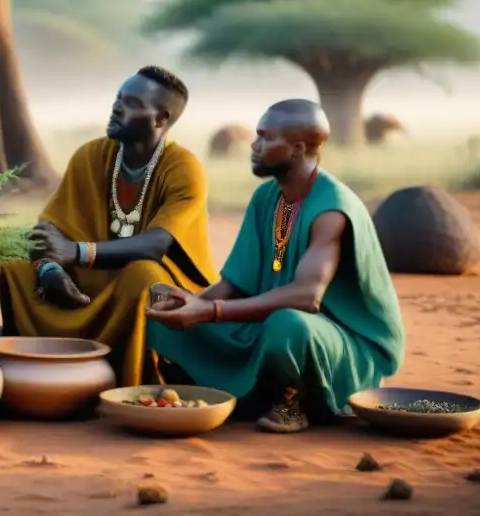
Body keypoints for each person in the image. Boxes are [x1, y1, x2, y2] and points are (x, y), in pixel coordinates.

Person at [147, 99, 405, 433]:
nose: (253, 146)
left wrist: (210, 311)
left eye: (266, 138)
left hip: (340, 343)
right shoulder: (266, 197)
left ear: (298, 148)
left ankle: (289, 406)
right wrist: (192, 303)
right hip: (267, 323)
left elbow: (306, 297)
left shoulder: (332, 208)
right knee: (159, 303)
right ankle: (227, 396)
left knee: (287, 324)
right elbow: (236, 282)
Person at [0, 66, 216, 386]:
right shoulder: (90, 156)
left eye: (132, 103)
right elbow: (50, 228)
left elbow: (156, 245)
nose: (117, 107)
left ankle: (135, 382)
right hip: (93, 281)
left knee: (143, 276)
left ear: (160, 119)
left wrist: (77, 252)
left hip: (159, 283)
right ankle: (26, 367)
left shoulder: (184, 168)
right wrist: (50, 270)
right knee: (15, 256)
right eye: (118, 98)